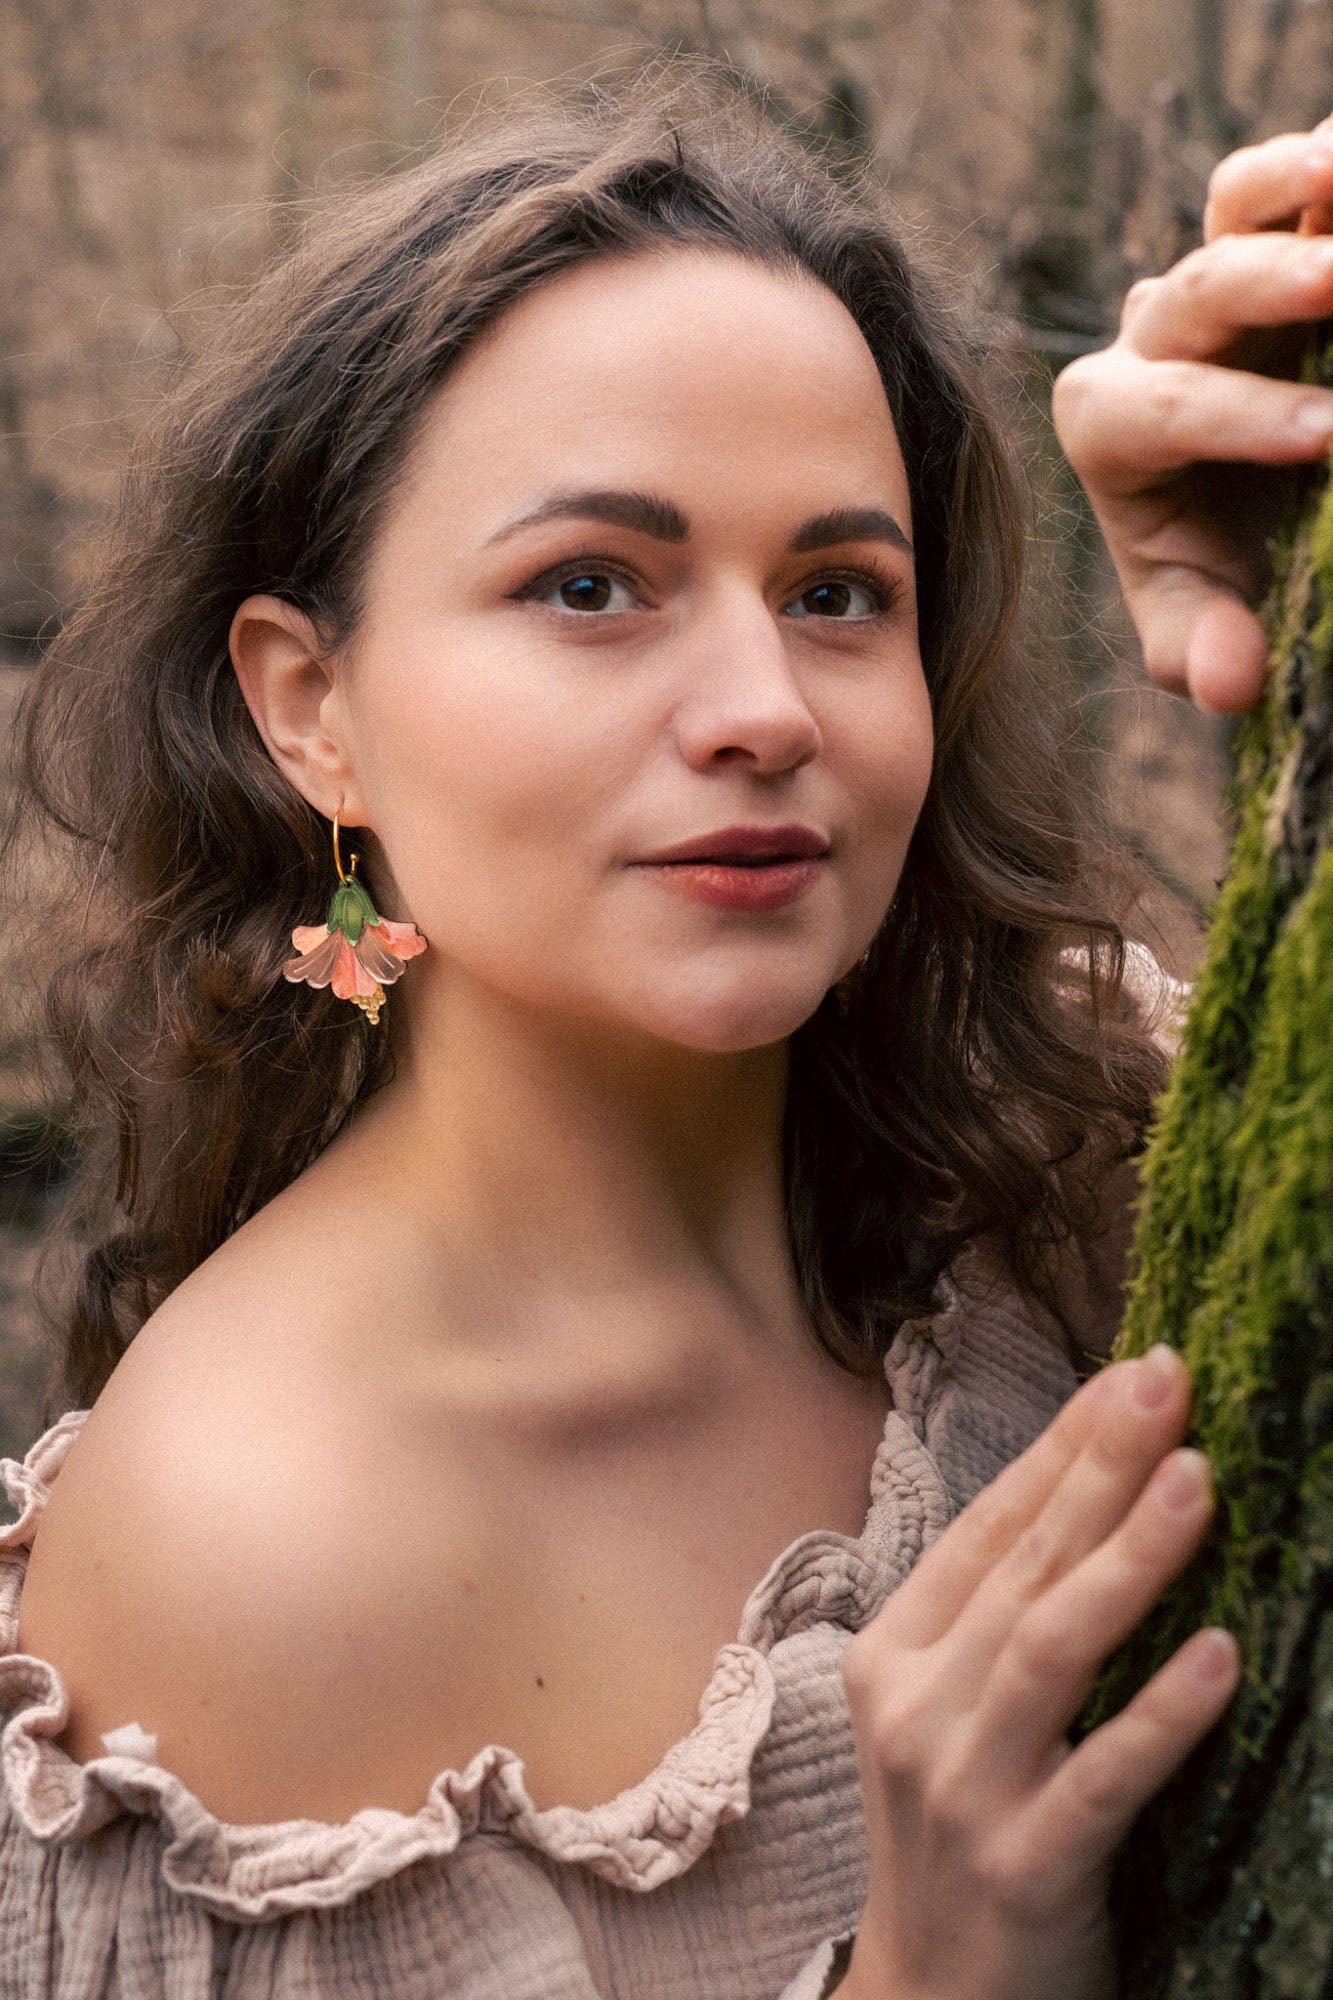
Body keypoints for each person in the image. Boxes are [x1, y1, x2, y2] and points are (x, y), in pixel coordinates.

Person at [0, 60, 1329, 2000]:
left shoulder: (1065, 1110)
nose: (761, 703)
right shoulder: (250, 1553)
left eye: (834, 589)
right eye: (593, 584)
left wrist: (1280, 622)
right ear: (313, 711)